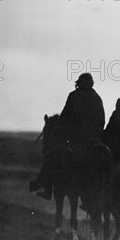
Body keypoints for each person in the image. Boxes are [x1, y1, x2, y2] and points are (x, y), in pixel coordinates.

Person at [30, 73, 105, 201]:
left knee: (53, 155)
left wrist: (65, 129)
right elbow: (101, 119)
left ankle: (47, 188)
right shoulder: (97, 98)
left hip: (75, 137)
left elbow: (65, 117)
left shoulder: (74, 95)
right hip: (95, 138)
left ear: (79, 83)